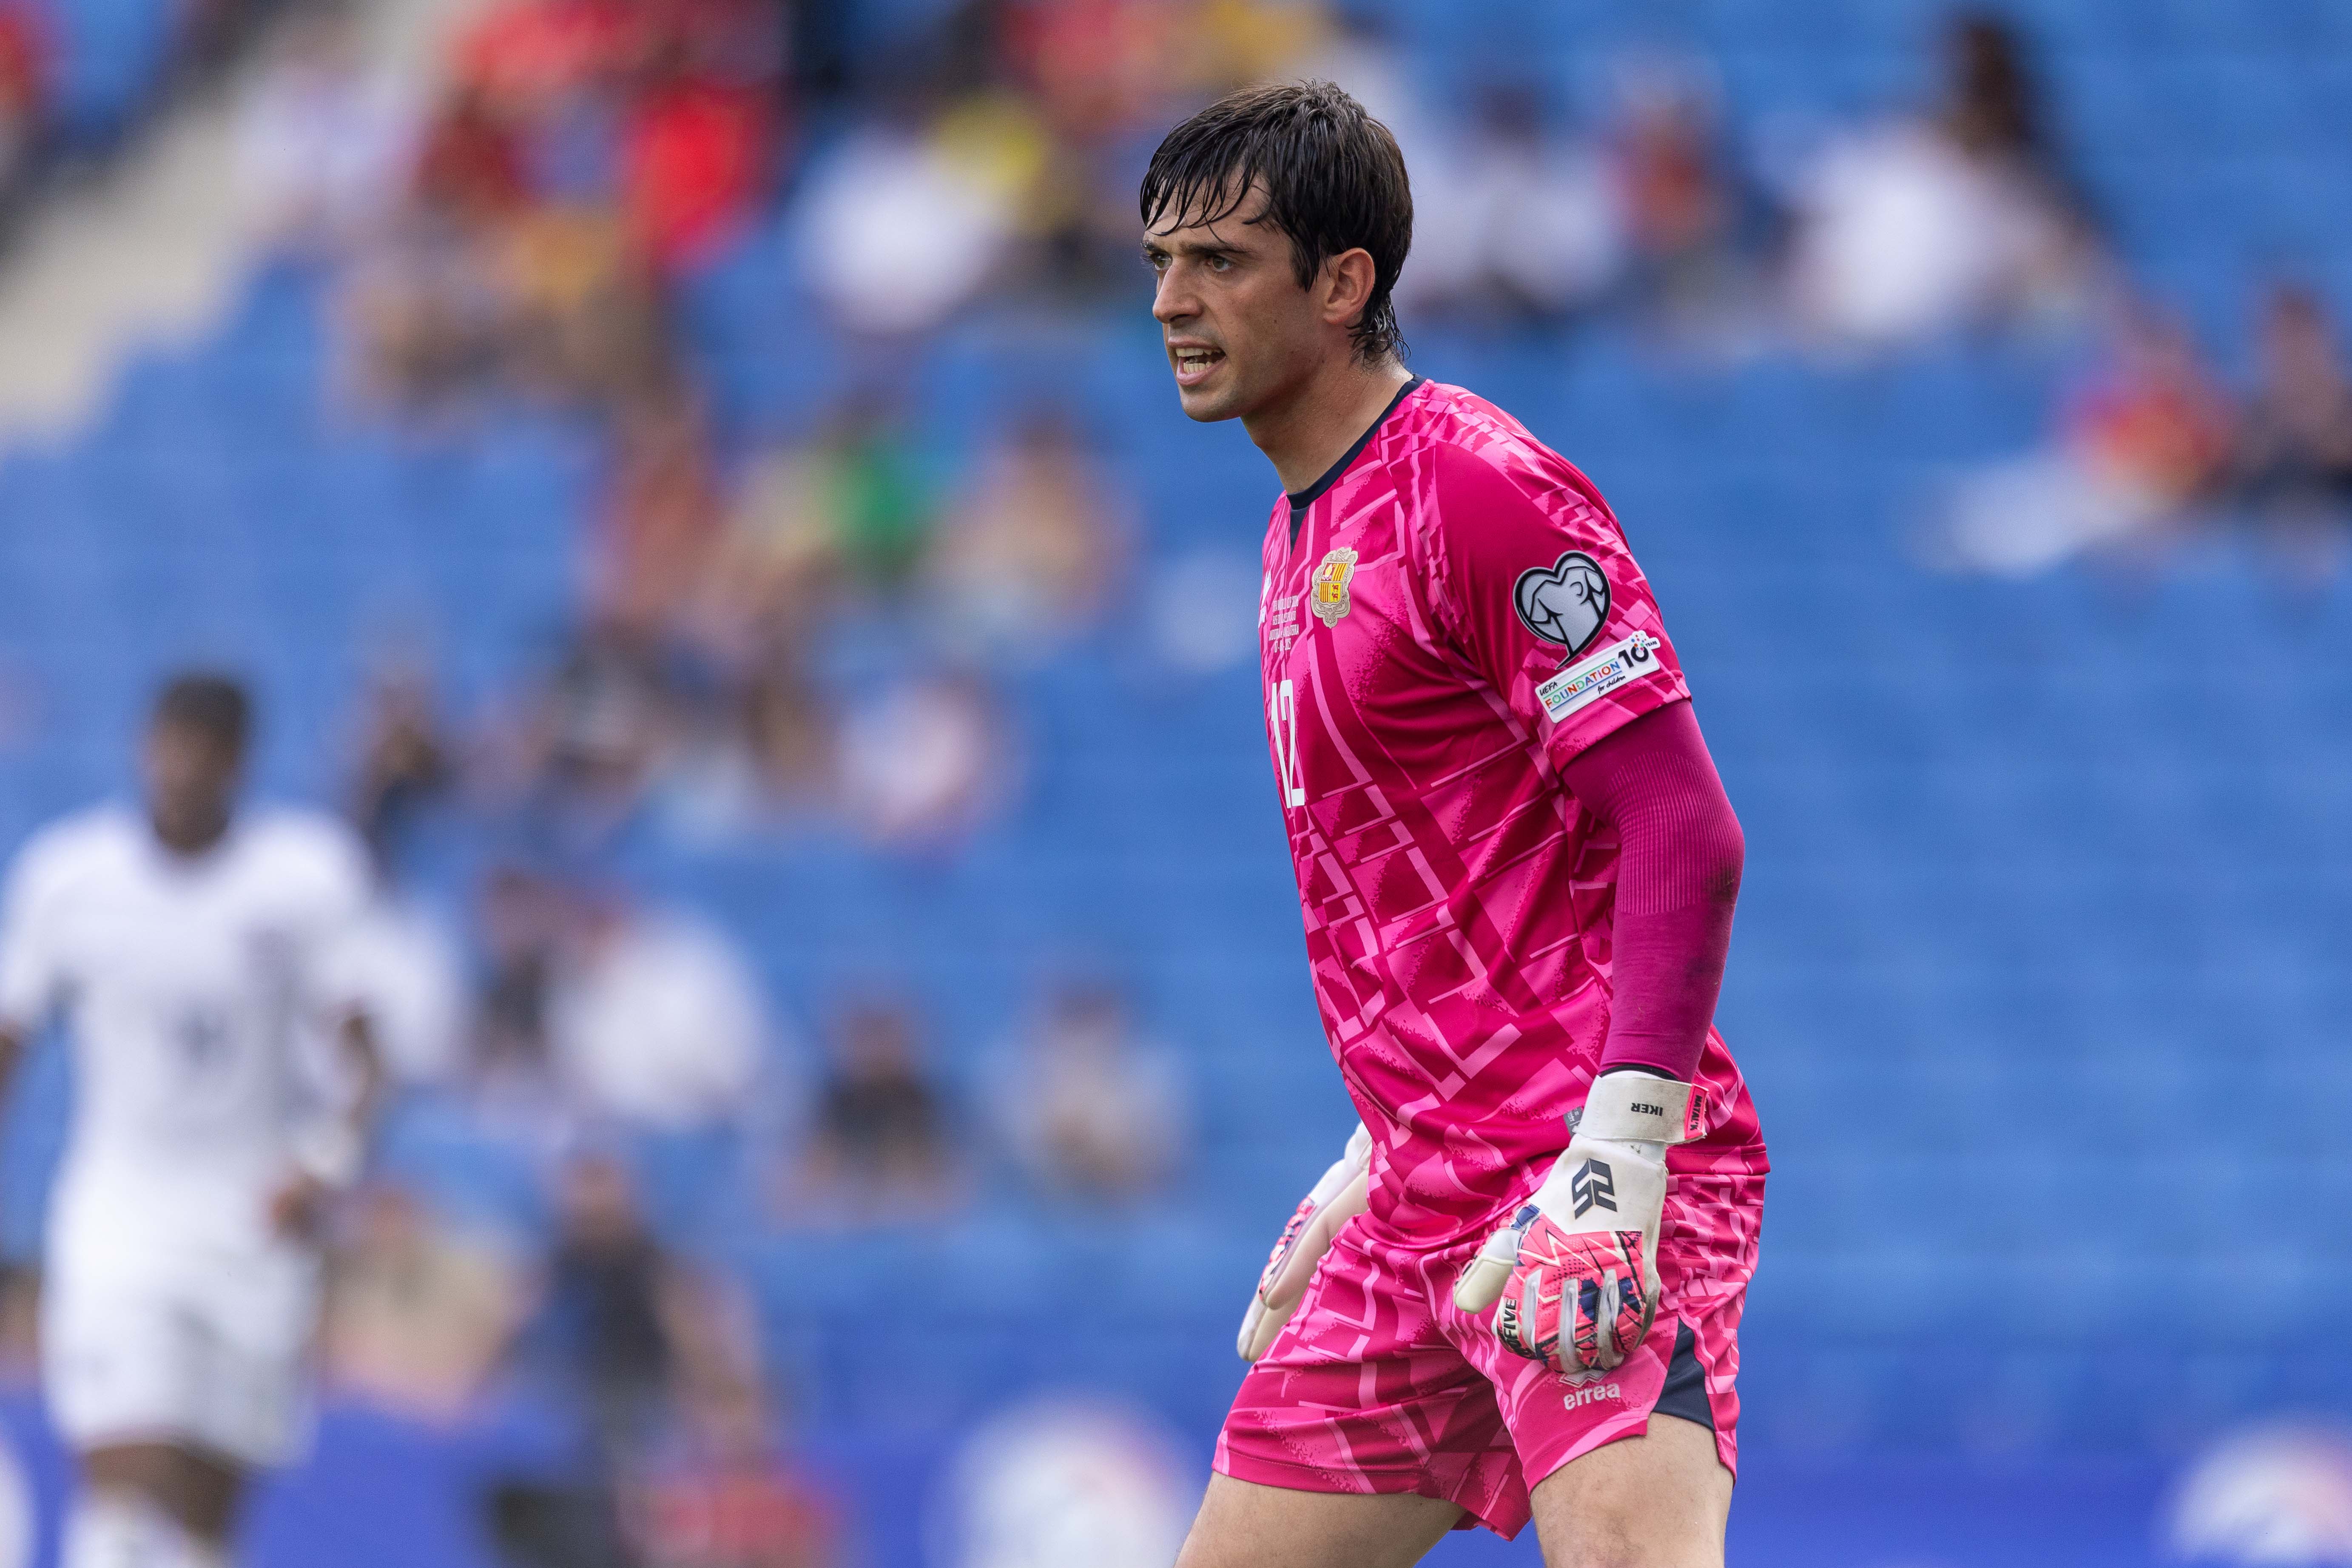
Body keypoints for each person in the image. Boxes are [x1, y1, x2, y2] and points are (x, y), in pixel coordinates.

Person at [1139, 83, 1766, 1566]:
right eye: (1161, 262)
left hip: (1577, 1177)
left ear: (1341, 283)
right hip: (1424, 1191)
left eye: (1220, 261)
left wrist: (1620, 1156)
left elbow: (1683, 831)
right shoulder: (1302, 525)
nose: (1171, 303)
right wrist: (1381, 1142)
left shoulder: (1474, 488)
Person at [0, 673, 387, 1568]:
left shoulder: (306, 878)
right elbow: (12, 1035)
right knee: (121, 1478)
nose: (180, 770)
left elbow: (366, 1051)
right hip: (120, 1208)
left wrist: (326, 1163)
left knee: (206, 1523)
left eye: (203, 751)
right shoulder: (71, 877)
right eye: (169, 745)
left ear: (240, 762)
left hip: (256, 1214)